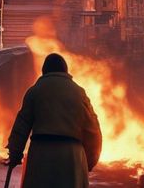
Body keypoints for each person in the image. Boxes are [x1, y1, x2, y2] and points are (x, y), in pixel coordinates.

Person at [7, 53, 102, 188]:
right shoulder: (79, 93)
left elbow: (21, 126)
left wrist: (15, 154)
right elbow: (92, 130)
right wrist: (90, 161)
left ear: (44, 71)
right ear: (65, 71)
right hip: (71, 156)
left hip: (41, 153)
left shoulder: (35, 91)